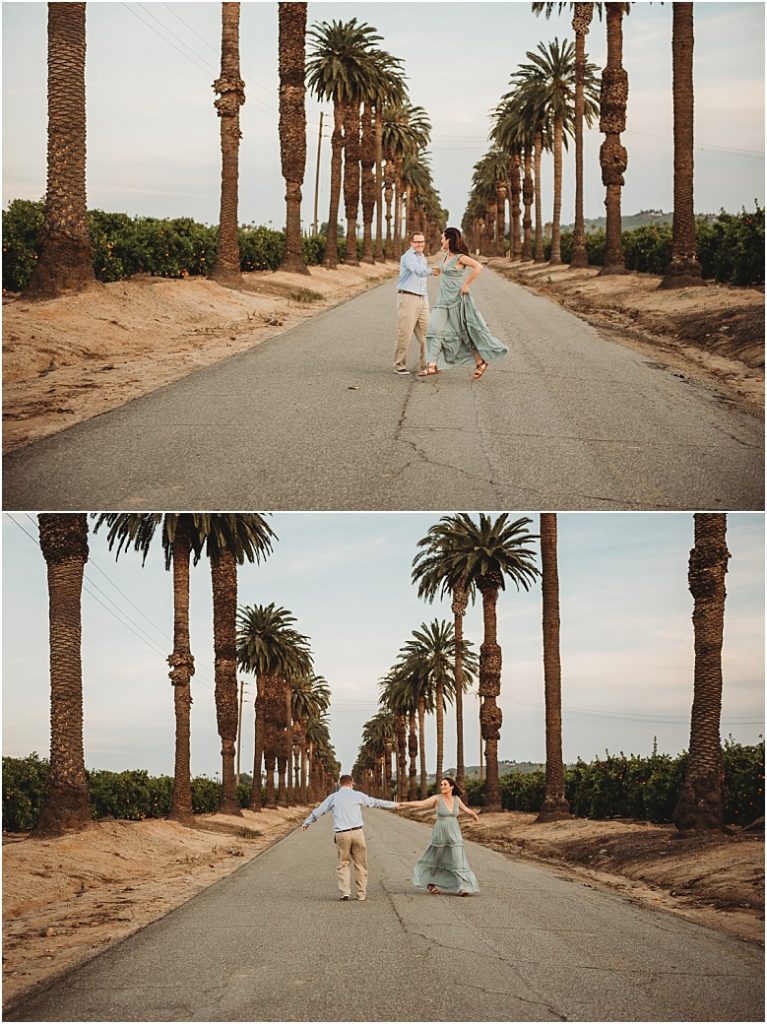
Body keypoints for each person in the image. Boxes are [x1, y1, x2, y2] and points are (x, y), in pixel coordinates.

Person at [418, 226, 508, 380]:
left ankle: (480, 362)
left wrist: (466, 285)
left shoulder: (460, 257)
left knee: (464, 333)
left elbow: (478, 267)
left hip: (457, 299)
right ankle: (432, 364)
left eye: (442, 237)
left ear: (449, 240)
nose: (441, 240)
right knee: (434, 329)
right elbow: (440, 269)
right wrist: (430, 270)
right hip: (442, 301)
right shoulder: (446, 255)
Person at [302, 774, 400, 901]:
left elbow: (319, 810)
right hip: (357, 832)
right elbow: (374, 802)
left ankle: (345, 892)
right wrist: (393, 805)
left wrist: (307, 822)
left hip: (342, 834)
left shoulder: (334, 797)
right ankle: (361, 894)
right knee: (360, 865)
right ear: (350, 783)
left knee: (343, 863)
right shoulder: (357, 795)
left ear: (340, 784)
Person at [400, 776, 480, 896]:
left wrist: (474, 815)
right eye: (441, 784)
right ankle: (430, 883)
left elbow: (466, 809)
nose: (442, 786)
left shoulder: (456, 799)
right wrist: (404, 804)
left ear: (451, 787)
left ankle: (463, 887)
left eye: (445, 784)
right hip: (440, 833)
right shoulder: (437, 799)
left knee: (458, 859)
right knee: (436, 859)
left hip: (454, 832)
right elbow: (421, 804)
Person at [394, 231, 441, 375]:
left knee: (428, 333)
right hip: (408, 298)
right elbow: (419, 272)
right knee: (405, 334)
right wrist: (431, 271)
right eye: (417, 242)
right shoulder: (408, 257)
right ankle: (399, 365)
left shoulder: (422, 257)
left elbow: (422, 281)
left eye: (422, 242)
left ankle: (426, 364)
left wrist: (425, 298)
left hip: (422, 299)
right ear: (411, 243)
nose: (420, 244)